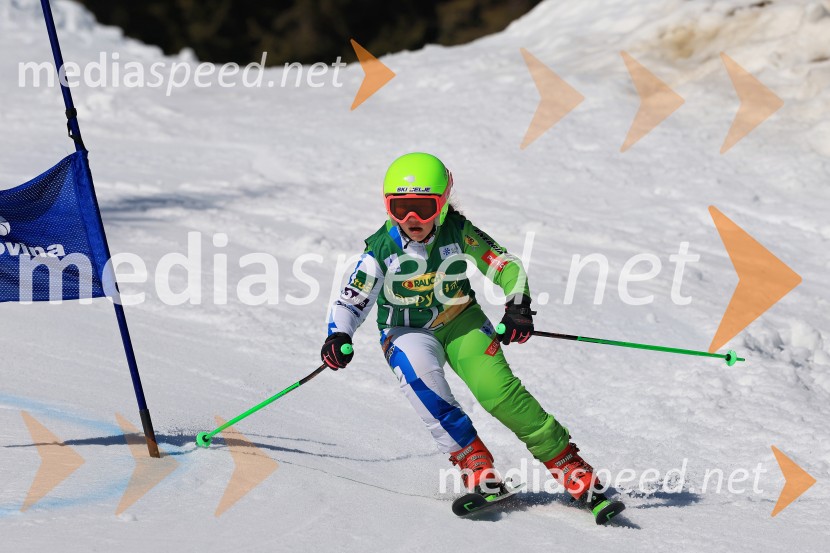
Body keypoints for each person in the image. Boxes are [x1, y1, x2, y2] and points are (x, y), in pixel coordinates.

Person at [321, 152, 623, 521]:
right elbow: (351, 301)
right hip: (406, 331)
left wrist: (518, 306)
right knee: (427, 387)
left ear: (443, 202)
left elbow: (505, 265)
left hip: (461, 321)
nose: (411, 219)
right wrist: (338, 335)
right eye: (400, 208)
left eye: (423, 206)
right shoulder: (379, 250)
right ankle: (478, 468)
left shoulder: (458, 231)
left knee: (500, 395)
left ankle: (573, 470)